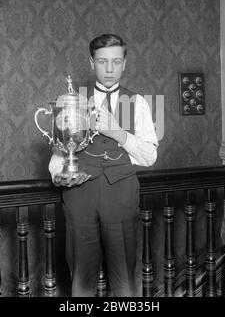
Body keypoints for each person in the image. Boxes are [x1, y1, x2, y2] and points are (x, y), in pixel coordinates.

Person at [49, 34, 158, 297]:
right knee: (81, 280)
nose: (109, 69)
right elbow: (58, 154)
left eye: (116, 61)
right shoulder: (71, 101)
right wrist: (57, 176)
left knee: (123, 281)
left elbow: (150, 156)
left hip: (121, 196)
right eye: (102, 61)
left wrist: (117, 132)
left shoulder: (140, 102)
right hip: (80, 195)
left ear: (125, 64)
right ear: (91, 63)